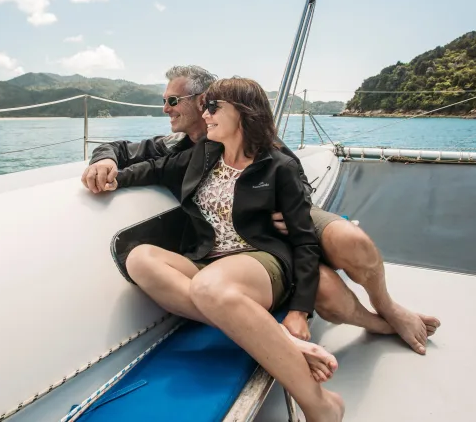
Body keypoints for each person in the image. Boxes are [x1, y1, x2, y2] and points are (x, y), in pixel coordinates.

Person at [82, 65, 440, 355]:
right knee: (328, 293)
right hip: (242, 228)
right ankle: (378, 323)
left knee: (348, 238)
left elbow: (287, 168)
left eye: (173, 100)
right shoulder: (174, 145)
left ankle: (388, 305)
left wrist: (282, 208)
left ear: (204, 101)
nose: (166, 109)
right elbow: (123, 151)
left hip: (282, 211)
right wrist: (105, 162)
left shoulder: (251, 135)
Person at [94, 77, 344, 422]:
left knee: (209, 285)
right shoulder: (200, 155)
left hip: (260, 259)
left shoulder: (278, 164)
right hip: (210, 259)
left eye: (212, 107)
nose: (205, 113)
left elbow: (303, 240)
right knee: (140, 259)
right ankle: (277, 340)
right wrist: (110, 172)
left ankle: (321, 404)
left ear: (243, 113)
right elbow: (151, 167)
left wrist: (300, 312)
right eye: (204, 106)